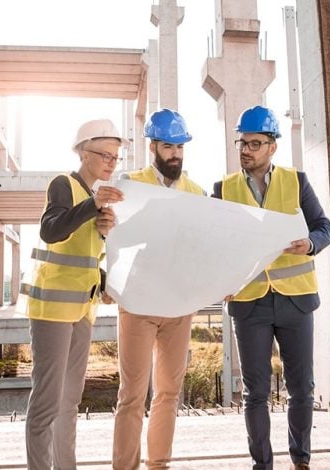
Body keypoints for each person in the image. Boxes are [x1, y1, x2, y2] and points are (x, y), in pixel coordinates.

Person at [212, 105, 330, 470]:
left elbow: (324, 228)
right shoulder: (224, 188)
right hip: (249, 304)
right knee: (256, 394)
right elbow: (213, 244)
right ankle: (262, 464)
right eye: (242, 143)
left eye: (254, 143)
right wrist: (220, 280)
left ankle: (301, 460)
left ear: (272, 147)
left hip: (295, 301)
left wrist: (309, 244)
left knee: (301, 389)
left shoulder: (296, 182)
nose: (246, 150)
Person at [22, 118, 127, 470]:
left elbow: (83, 260)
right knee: (47, 402)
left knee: (69, 402)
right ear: (84, 152)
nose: (111, 161)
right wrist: (91, 208)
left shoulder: (94, 198)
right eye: (105, 154)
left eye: (116, 157)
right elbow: (51, 231)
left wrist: (105, 281)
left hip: (82, 310)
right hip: (52, 309)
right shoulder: (64, 184)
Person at [112, 108, 205, 470]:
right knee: (132, 394)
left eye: (181, 146)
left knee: (168, 393)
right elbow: (114, 238)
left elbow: (205, 244)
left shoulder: (195, 191)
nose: (176, 154)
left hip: (179, 306)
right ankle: (125, 467)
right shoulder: (130, 184)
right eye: (169, 146)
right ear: (153, 146)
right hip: (138, 303)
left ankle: (159, 464)